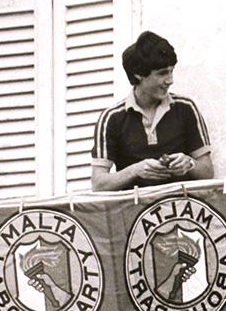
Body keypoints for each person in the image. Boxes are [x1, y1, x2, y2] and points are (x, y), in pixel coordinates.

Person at [91, 31, 214, 191]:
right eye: (162, 73)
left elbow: (208, 171)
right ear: (138, 75)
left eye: (171, 71)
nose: (170, 80)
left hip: (183, 210)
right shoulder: (111, 118)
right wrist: (136, 170)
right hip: (134, 213)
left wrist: (189, 164)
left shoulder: (185, 107)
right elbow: (98, 184)